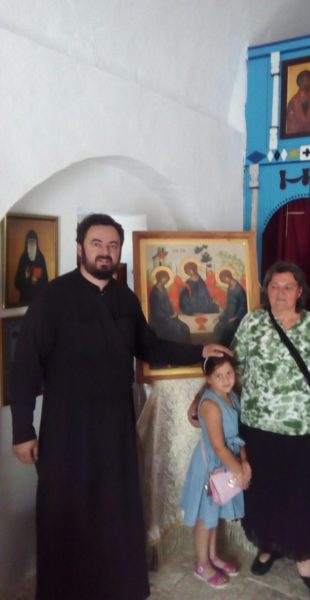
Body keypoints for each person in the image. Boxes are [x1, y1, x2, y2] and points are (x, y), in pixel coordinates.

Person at [10, 213, 231, 600]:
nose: (105, 252)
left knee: (114, 505)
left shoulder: (124, 298)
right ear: (80, 248)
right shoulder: (53, 298)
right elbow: (25, 364)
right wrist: (22, 431)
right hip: (67, 426)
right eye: (96, 244)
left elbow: (150, 346)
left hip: (114, 423)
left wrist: (199, 352)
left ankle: (116, 586)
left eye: (112, 245)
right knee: (66, 507)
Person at [194, 261, 310, 600]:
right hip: (258, 426)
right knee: (264, 491)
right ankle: (268, 545)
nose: (280, 293)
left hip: (304, 427)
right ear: (266, 291)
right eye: (274, 286)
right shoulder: (253, 322)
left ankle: (305, 560)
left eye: (288, 286)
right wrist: (202, 397)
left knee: (303, 494)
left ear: (300, 291)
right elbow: (229, 369)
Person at [181, 355, 251, 589]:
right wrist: (239, 471)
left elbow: (238, 435)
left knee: (214, 514)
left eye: (229, 373)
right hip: (211, 466)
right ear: (208, 379)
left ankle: (212, 556)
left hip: (227, 462)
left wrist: (244, 460)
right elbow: (219, 446)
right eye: (219, 376)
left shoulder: (232, 396)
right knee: (205, 516)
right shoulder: (210, 405)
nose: (226, 379)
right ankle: (202, 564)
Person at [149, 267, 191, 343]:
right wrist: (169, 316)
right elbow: (157, 312)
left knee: (185, 327)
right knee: (177, 328)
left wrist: (173, 312)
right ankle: (177, 347)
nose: (166, 280)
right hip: (160, 319)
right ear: (159, 278)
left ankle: (187, 347)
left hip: (169, 316)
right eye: (164, 278)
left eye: (167, 278)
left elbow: (168, 304)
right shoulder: (155, 293)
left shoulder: (163, 289)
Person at [213, 269, 247, 346]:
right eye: (223, 280)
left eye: (225, 279)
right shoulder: (230, 287)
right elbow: (229, 304)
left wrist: (236, 317)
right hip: (229, 313)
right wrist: (221, 315)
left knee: (228, 329)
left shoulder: (239, 289)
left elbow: (243, 305)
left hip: (237, 316)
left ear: (228, 276)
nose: (225, 281)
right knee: (218, 327)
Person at [14, 229, 49, 304]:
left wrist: (36, 279)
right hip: (24, 300)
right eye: (30, 242)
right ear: (26, 243)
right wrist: (26, 277)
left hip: (37, 300)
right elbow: (17, 283)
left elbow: (45, 282)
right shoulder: (23, 258)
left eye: (34, 242)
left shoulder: (40, 258)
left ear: (37, 243)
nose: (32, 245)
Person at [286, 70, 310, 134]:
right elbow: (290, 126)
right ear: (300, 82)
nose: (308, 83)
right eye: (305, 80)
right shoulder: (292, 102)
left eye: (309, 80)